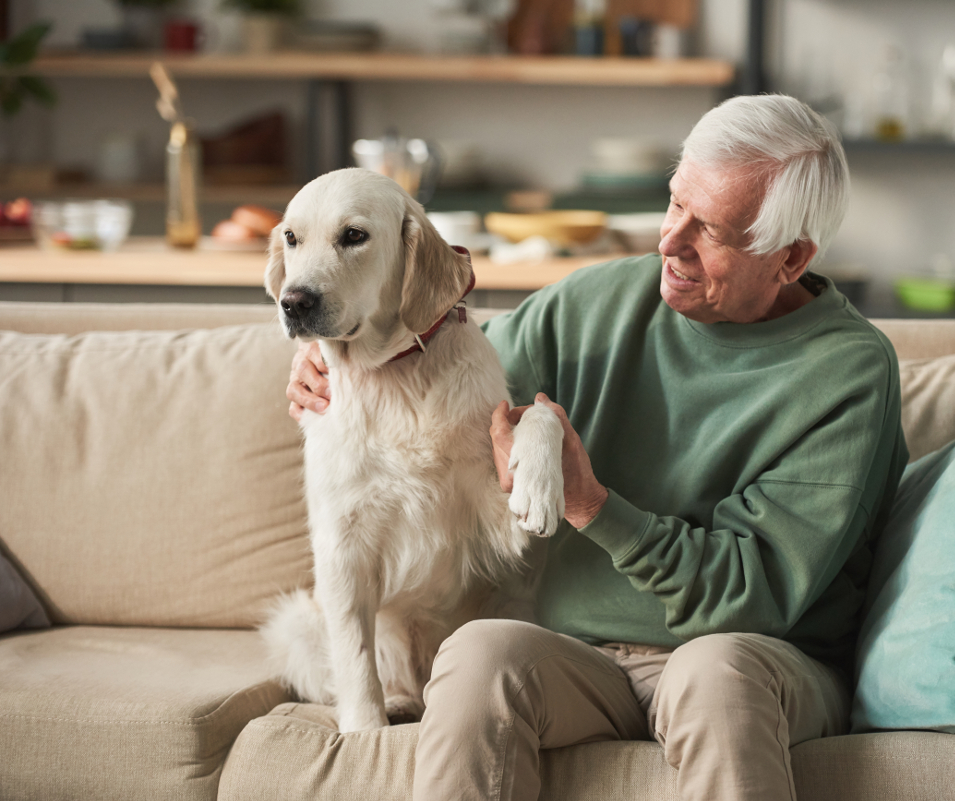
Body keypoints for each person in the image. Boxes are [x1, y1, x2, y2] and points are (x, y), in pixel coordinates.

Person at [287, 94, 908, 801]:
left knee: (715, 675)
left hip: (760, 657)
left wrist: (593, 505)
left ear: (790, 258)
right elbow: (451, 372)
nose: (671, 243)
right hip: (582, 654)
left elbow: (753, 596)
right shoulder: (594, 301)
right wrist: (337, 358)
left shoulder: (849, 373)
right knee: (478, 654)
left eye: (712, 232)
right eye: (675, 205)